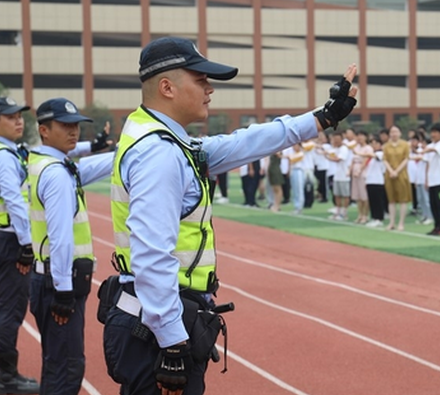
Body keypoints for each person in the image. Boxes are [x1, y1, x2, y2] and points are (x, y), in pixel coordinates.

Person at [103, 36, 358, 395]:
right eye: (201, 80)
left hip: (154, 320)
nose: (210, 89)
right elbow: (151, 255)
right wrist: (173, 343)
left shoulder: (162, 139)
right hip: (157, 330)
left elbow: (245, 142)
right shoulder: (158, 154)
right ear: (167, 88)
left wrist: (323, 117)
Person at [27, 98, 114, 395]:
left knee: (57, 362)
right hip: (59, 283)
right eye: (65, 126)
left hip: (48, 278)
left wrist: (117, 151)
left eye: (76, 125)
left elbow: (87, 165)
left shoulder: (47, 162)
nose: (73, 131)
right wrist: (63, 290)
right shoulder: (56, 174)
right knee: (67, 366)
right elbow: (61, 236)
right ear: (44, 130)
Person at [0, 97, 40, 395]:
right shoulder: (4, 157)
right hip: (11, 239)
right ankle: (6, 378)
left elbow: (40, 154)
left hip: (4, 237)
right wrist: (27, 245)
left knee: (7, 307)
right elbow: (15, 202)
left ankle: (6, 374)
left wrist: (90, 147)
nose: (19, 121)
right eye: (11, 117)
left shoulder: (8, 150)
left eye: (20, 116)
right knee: (10, 310)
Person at [422, 123, 440, 236]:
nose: (433, 135)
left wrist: (424, 150)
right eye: (432, 132)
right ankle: (436, 226)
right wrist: (426, 179)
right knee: (433, 205)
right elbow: (427, 163)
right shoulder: (430, 146)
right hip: (432, 180)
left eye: (435, 132)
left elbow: (434, 150)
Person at [383, 125, 411, 231]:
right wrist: (391, 170)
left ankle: (401, 223)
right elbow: (385, 159)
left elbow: (406, 159)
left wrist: (397, 171)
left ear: (400, 133)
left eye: (396, 131)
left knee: (403, 199)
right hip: (389, 174)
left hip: (402, 174)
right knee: (391, 200)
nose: (394, 134)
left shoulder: (405, 145)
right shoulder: (386, 146)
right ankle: (392, 222)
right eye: (392, 132)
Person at [325, 131, 351, 220]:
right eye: (334, 139)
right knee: (337, 195)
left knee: (345, 195)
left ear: (341, 140)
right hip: (337, 176)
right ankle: (337, 212)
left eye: (337, 139)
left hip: (344, 176)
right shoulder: (335, 149)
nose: (335, 141)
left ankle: (344, 213)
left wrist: (327, 157)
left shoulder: (344, 149)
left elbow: (338, 159)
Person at [350, 130, 373, 224]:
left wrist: (359, 170)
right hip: (355, 171)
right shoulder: (356, 147)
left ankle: (365, 215)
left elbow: (366, 160)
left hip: (364, 172)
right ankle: (359, 215)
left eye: (362, 136)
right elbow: (353, 160)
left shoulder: (368, 148)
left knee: (364, 196)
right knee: (358, 196)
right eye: (358, 136)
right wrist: (350, 171)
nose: (360, 138)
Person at [365, 135, 386, 227]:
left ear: (380, 145)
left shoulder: (380, 154)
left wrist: (358, 152)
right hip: (370, 180)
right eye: (372, 143)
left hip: (378, 181)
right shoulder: (371, 155)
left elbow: (372, 155)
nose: (373, 145)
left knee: (378, 201)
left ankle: (379, 218)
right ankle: (374, 217)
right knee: (372, 200)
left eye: (376, 143)